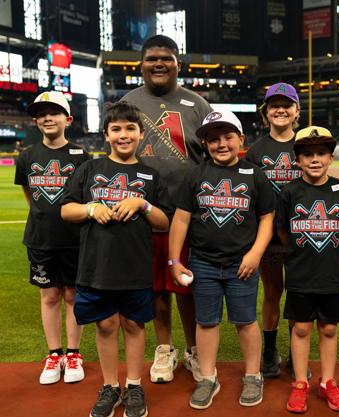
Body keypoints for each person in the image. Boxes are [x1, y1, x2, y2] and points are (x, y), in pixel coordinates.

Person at [60, 102, 172, 417]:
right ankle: (110, 386)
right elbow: (66, 209)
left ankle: (134, 386)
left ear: (141, 134)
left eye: (130, 128)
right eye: (117, 129)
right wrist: (90, 208)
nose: (123, 135)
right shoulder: (90, 169)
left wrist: (143, 204)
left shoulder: (151, 175)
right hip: (97, 266)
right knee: (106, 325)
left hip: (135, 266)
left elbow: (164, 222)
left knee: (134, 324)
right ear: (107, 134)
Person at [168, 110, 275, 409]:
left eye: (228, 136)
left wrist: (255, 254)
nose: (221, 144)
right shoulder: (195, 174)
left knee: (245, 321)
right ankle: (207, 377)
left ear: (241, 139)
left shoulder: (254, 174)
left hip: (242, 263)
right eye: (213, 139)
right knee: (206, 322)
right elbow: (181, 219)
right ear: (205, 144)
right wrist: (174, 261)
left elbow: (267, 217)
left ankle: (253, 375)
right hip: (202, 262)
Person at [122, 34, 213, 383]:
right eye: (151, 59)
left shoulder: (197, 105)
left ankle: (193, 350)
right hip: (141, 213)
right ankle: (165, 350)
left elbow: (212, 157)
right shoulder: (128, 102)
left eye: (166, 58)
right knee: (157, 288)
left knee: (186, 285)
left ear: (178, 64)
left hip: (188, 215)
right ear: (141, 65)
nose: (158, 63)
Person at [277, 126, 339, 413]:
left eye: (321, 153)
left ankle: (328, 382)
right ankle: (300, 383)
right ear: (297, 160)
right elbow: (284, 232)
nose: (315, 159)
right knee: (300, 328)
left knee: (330, 327)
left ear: (331, 157)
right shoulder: (289, 191)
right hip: (300, 272)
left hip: (331, 272)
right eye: (307, 154)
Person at [14, 91, 89, 385]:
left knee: (72, 295)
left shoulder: (82, 156)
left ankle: (73, 353)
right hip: (40, 239)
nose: (47, 117)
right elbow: (29, 196)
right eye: (42, 113)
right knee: (49, 296)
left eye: (54, 112)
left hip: (74, 239)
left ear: (67, 119)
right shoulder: (28, 156)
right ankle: (54, 354)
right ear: (36, 121)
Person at [245, 82, 302, 378]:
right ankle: (269, 350)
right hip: (267, 236)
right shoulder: (255, 152)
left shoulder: (305, 144)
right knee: (272, 292)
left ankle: (296, 349)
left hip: (301, 233)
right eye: (274, 105)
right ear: (265, 112)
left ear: (296, 111)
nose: (280, 109)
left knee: (297, 292)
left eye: (287, 104)